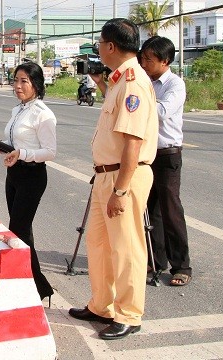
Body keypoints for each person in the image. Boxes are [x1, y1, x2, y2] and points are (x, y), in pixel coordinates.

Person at [68, 18, 159, 340]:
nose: (98, 50)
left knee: (126, 247)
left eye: (99, 44)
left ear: (110, 46)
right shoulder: (119, 81)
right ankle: (101, 304)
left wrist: (121, 189)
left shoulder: (133, 82)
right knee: (99, 243)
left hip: (123, 177)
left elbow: (133, 142)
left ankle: (128, 313)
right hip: (106, 175)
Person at [0, 62, 56, 304]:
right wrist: (1, 147)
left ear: (36, 84)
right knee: (23, 232)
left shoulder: (43, 114)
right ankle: (36, 288)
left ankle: (37, 288)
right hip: (14, 174)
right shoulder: (18, 110)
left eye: (24, 81)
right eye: (15, 80)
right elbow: (14, 141)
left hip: (32, 176)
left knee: (17, 232)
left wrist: (23, 154)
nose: (17, 86)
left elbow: (50, 151)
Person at [139, 36, 191, 286]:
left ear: (165, 60)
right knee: (150, 211)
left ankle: (181, 266)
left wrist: (138, 101)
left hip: (168, 154)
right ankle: (156, 260)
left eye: (149, 59)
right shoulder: (144, 82)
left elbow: (160, 112)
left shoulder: (174, 84)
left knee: (171, 210)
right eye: (143, 58)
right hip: (147, 154)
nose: (144, 63)